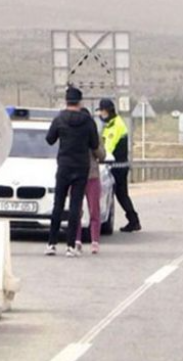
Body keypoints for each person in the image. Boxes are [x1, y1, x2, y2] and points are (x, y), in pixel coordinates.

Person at [45, 87, 100, 257]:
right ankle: (70, 246)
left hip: (64, 166)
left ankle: (52, 244)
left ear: (66, 101)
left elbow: (49, 139)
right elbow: (94, 143)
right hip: (81, 167)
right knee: (75, 206)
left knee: (58, 204)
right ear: (80, 102)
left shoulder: (59, 119)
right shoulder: (88, 121)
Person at [98, 99, 141, 232]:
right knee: (120, 194)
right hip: (116, 165)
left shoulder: (116, 126)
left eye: (102, 111)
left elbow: (108, 148)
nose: (100, 114)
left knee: (119, 194)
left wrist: (99, 156)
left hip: (117, 166)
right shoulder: (111, 124)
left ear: (107, 111)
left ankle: (133, 220)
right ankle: (133, 220)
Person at [75, 109, 106, 254]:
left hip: (92, 176)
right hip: (76, 176)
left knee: (94, 210)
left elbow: (102, 155)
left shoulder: (95, 135)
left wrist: (93, 145)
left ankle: (94, 241)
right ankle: (77, 240)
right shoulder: (72, 134)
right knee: (76, 210)